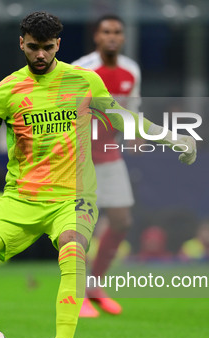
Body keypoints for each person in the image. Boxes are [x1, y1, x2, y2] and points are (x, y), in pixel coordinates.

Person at [0, 11, 197, 338]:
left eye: (47, 48)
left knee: (73, 250)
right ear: (21, 43)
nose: (40, 55)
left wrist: (170, 136)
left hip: (73, 197)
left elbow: (123, 119)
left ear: (58, 46)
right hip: (21, 198)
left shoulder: (84, 81)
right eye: (33, 47)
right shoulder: (7, 89)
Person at [71, 15, 140, 318]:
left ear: (122, 38)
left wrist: (134, 133)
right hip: (80, 157)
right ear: (96, 37)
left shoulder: (131, 70)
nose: (112, 37)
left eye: (117, 32)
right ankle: (77, 294)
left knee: (122, 220)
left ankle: (95, 285)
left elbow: (130, 108)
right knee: (81, 227)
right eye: (106, 32)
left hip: (111, 155)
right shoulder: (81, 68)